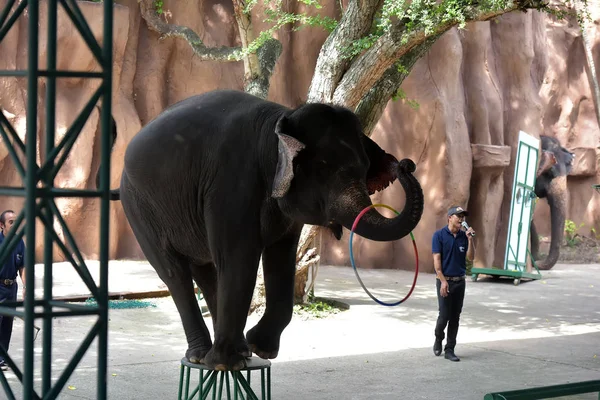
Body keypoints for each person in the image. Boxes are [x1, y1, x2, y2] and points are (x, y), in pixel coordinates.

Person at [431, 205, 475, 362]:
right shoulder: (439, 236)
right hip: (444, 281)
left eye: (463, 216)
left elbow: (470, 258)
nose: (461, 219)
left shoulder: (464, 236)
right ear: (450, 217)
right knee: (444, 316)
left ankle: (450, 349)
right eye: (458, 216)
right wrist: (443, 281)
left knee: (455, 317)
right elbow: (437, 262)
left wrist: (470, 240)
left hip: (459, 282)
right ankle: (438, 337)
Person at [0, 210, 26, 371]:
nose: (15, 224)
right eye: (11, 222)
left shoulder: (19, 242)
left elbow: (23, 266)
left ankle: (2, 358)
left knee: (7, 324)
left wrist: (26, 286)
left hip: (12, 287)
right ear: (1, 225)